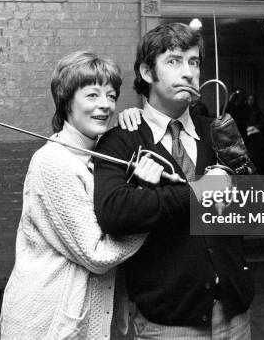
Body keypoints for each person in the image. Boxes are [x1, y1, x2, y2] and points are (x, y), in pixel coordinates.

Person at [94, 23, 254, 339]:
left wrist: (236, 180)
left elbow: (258, 205)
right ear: (147, 71)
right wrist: (199, 193)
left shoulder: (217, 132)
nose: (189, 72)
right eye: (174, 61)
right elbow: (114, 212)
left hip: (234, 314)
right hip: (168, 322)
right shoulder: (121, 140)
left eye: (194, 62)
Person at [0, 51, 165, 340]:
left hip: (83, 322)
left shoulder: (98, 158)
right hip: (45, 322)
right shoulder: (52, 162)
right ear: (66, 101)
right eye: (92, 95)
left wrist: (136, 120)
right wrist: (150, 208)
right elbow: (96, 254)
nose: (105, 105)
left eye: (112, 96)